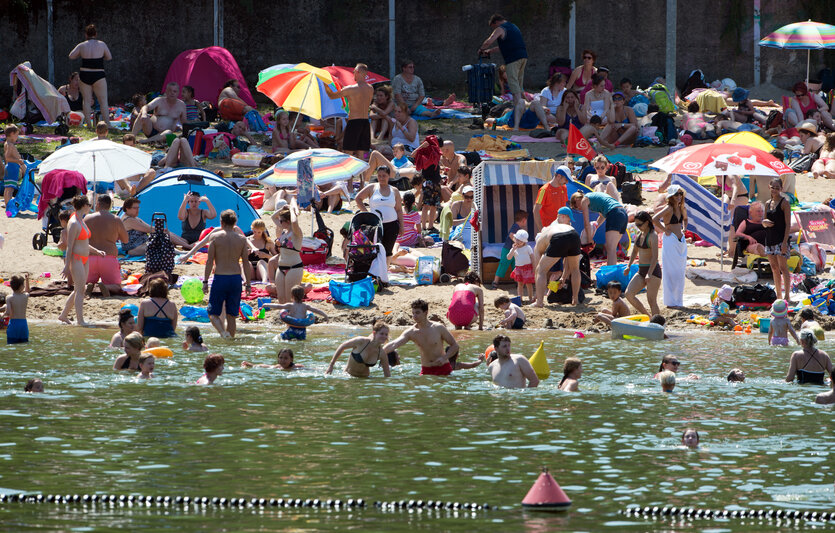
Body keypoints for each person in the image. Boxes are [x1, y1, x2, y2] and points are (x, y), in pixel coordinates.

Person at [59, 195, 105, 326]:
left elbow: (84, 242)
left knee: (80, 288)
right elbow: (70, 246)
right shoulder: (73, 222)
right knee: (80, 290)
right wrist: (67, 266)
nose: (90, 207)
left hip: (85, 258)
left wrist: (97, 251)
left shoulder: (81, 220)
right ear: (84, 206)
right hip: (76, 258)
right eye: (89, 205)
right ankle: (80, 321)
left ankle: (63, 315)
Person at [204, 210, 251, 338]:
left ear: (221, 223)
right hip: (236, 279)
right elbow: (246, 263)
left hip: (220, 278)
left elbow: (209, 262)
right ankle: (230, 341)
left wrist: (205, 281)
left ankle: (223, 333)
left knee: (212, 313)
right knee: (232, 316)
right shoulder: (242, 239)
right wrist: (248, 284)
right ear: (235, 223)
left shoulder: (215, 237)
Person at [384, 299, 461, 376]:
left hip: (443, 368)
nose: (414, 316)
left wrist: (444, 358)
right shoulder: (411, 332)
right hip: (426, 370)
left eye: (417, 313)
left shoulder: (438, 328)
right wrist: (378, 352)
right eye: (413, 313)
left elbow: (455, 346)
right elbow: (394, 344)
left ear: (425, 313)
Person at [479, 14, 528, 130]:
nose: (493, 29)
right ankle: (524, 112)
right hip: (523, 57)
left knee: (514, 89)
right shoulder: (514, 27)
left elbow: (489, 41)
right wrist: (490, 51)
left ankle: (517, 118)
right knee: (520, 87)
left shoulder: (500, 28)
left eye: (493, 27)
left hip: (513, 60)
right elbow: (504, 47)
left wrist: (481, 49)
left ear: (495, 23)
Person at [325, 64, 374, 159]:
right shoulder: (370, 88)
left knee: (348, 152)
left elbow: (332, 95)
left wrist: (325, 84)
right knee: (361, 153)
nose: (353, 74)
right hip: (365, 122)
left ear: (357, 72)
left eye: (354, 72)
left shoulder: (351, 89)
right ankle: (362, 174)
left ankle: (349, 174)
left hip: (354, 122)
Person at [355, 166, 403, 263]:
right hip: (376, 225)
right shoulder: (372, 187)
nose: (381, 178)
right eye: (379, 175)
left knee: (388, 251)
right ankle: (375, 273)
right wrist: (366, 213)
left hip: (392, 224)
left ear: (389, 176)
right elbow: (358, 198)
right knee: (374, 249)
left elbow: (399, 210)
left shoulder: (394, 190)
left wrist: (402, 226)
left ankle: (384, 273)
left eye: (384, 176)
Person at [68, 24, 111, 128]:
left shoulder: (82, 45)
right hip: (98, 74)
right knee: (103, 101)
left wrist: (81, 54)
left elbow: (71, 56)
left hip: (85, 74)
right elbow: (109, 57)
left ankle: (89, 125)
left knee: (86, 100)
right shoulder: (102, 44)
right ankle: (107, 125)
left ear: (86, 35)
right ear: (96, 34)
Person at [84, 194, 128, 296]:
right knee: (117, 287)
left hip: (90, 257)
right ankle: (106, 287)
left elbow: (81, 239)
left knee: (84, 283)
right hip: (108, 257)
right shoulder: (116, 219)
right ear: (109, 206)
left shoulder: (87, 218)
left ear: (98, 204)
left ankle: (89, 287)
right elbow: (125, 240)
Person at [652, 185, 687, 308]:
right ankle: (671, 301)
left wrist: (684, 228)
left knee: (680, 271)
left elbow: (686, 219)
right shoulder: (668, 208)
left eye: (680, 194)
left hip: (680, 240)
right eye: (676, 194)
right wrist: (664, 230)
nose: (679, 196)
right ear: (671, 196)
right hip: (670, 239)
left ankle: (678, 300)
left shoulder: (681, 207)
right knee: (670, 271)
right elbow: (654, 219)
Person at [571, 191, 628, 266]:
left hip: (614, 214)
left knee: (610, 248)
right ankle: (612, 271)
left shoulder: (585, 200)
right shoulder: (594, 197)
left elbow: (586, 223)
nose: (578, 208)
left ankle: (609, 273)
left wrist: (589, 239)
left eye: (576, 205)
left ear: (577, 198)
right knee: (611, 248)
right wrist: (595, 227)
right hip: (623, 214)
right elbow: (602, 216)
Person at [533, 221, 582, 307]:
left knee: (540, 270)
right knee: (575, 269)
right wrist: (563, 277)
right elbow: (567, 259)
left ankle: (539, 302)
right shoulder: (557, 227)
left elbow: (537, 270)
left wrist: (538, 291)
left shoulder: (539, 241)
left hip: (558, 237)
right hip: (574, 235)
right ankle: (575, 300)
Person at [623, 211, 661, 316]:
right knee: (629, 294)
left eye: (640, 224)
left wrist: (649, 273)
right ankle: (648, 317)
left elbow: (655, 257)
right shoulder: (640, 234)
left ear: (647, 222)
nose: (638, 227)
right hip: (641, 271)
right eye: (636, 224)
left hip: (653, 271)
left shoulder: (653, 236)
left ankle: (658, 325)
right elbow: (634, 251)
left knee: (651, 300)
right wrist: (628, 266)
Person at [120, 196, 189, 255]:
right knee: (162, 240)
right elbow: (149, 229)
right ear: (127, 208)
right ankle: (186, 247)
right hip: (133, 248)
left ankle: (186, 244)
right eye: (135, 208)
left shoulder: (133, 217)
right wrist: (162, 230)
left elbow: (150, 227)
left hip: (141, 243)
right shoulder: (129, 220)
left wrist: (162, 230)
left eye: (138, 208)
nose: (137, 210)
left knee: (164, 233)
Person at [326, 321, 393, 378]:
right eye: (381, 334)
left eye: (386, 334)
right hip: (348, 376)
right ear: (374, 333)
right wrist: (331, 365)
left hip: (365, 380)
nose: (384, 336)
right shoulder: (361, 341)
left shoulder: (382, 353)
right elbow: (342, 346)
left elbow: (387, 375)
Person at [763, 178, 792, 302]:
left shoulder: (784, 203)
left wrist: (785, 242)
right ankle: (778, 295)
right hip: (769, 239)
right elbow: (764, 221)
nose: (774, 190)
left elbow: (788, 225)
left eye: (777, 187)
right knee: (774, 268)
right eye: (773, 187)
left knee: (783, 268)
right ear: (769, 187)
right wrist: (764, 223)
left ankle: (787, 296)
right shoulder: (767, 203)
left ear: (781, 189)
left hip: (781, 239)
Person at [269, 201, 304, 303]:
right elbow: (272, 217)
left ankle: (292, 317)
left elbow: (294, 222)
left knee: (289, 298)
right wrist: (282, 209)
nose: (279, 222)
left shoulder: (296, 232)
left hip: (294, 267)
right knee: (281, 298)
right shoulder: (284, 231)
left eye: (281, 221)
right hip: (281, 267)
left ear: (287, 221)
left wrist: (292, 210)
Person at [264, 285, 328, 341]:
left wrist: (267, 304)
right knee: (301, 342)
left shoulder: (290, 305)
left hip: (292, 329)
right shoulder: (305, 306)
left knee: (278, 338)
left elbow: (279, 306)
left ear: (292, 296)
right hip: (302, 332)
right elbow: (316, 310)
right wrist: (325, 315)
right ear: (303, 295)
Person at [493, 210, 528, 289]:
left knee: (515, 266)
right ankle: (495, 282)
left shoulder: (517, 227)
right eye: (526, 220)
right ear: (523, 220)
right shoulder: (516, 226)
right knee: (503, 265)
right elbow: (511, 235)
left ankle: (517, 282)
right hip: (508, 249)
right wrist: (518, 243)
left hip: (514, 250)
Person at [533, 166, 570, 233]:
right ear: (558, 176)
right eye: (566, 179)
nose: (567, 182)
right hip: (549, 230)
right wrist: (542, 230)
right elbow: (536, 210)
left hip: (561, 229)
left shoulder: (564, 187)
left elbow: (564, 207)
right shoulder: (544, 190)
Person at [507, 229, 534, 302]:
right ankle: (520, 298)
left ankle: (530, 298)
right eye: (517, 240)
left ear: (524, 242)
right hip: (518, 268)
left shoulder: (527, 248)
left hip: (527, 268)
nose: (518, 242)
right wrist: (513, 249)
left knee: (529, 284)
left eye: (520, 241)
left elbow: (532, 257)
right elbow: (508, 257)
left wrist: (534, 266)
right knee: (520, 284)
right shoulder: (514, 249)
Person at [4, 124, 24, 212]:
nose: (17, 137)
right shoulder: (10, 145)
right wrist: (19, 161)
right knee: (10, 189)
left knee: (8, 188)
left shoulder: (8, 143)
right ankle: (9, 207)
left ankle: (7, 205)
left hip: (11, 168)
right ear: (12, 134)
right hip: (12, 168)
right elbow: (7, 158)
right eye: (16, 134)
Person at [5, 274, 29, 344]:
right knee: (24, 344)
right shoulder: (25, 296)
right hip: (23, 324)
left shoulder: (9, 297)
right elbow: (28, 291)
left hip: (13, 324)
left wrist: (3, 315)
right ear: (21, 286)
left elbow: (8, 312)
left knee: (11, 344)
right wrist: (27, 280)